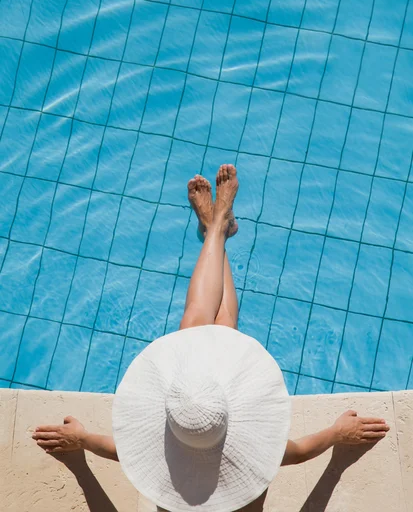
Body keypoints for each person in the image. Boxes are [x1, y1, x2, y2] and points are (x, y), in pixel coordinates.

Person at [32, 165, 389, 511]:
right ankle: (216, 228)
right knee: (209, 328)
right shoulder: (251, 458)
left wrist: (80, 445)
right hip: (204, 429)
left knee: (211, 328)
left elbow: (119, 448)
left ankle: (217, 228)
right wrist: (338, 437)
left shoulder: (190, 452)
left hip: (197, 419)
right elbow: (298, 452)